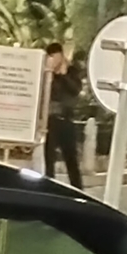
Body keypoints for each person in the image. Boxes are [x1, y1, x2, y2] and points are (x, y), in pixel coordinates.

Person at [41, 42, 84, 186]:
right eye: (51, 57)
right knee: (49, 159)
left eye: (57, 56)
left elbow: (76, 90)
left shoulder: (71, 72)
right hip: (49, 121)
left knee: (71, 159)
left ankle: (77, 190)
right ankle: (49, 187)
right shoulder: (46, 74)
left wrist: (64, 75)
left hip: (66, 119)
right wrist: (50, 74)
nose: (55, 60)